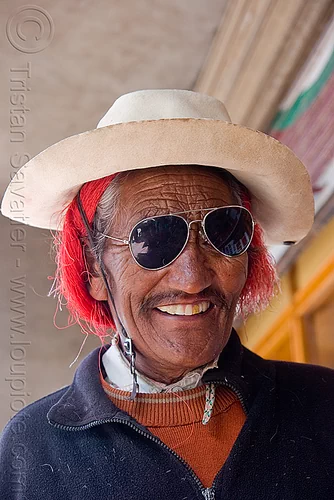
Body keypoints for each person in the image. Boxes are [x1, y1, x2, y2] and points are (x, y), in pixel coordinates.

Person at [0, 89, 333, 500]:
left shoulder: (323, 406)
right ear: (93, 270)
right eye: (153, 239)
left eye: (225, 231)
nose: (192, 278)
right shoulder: (31, 451)